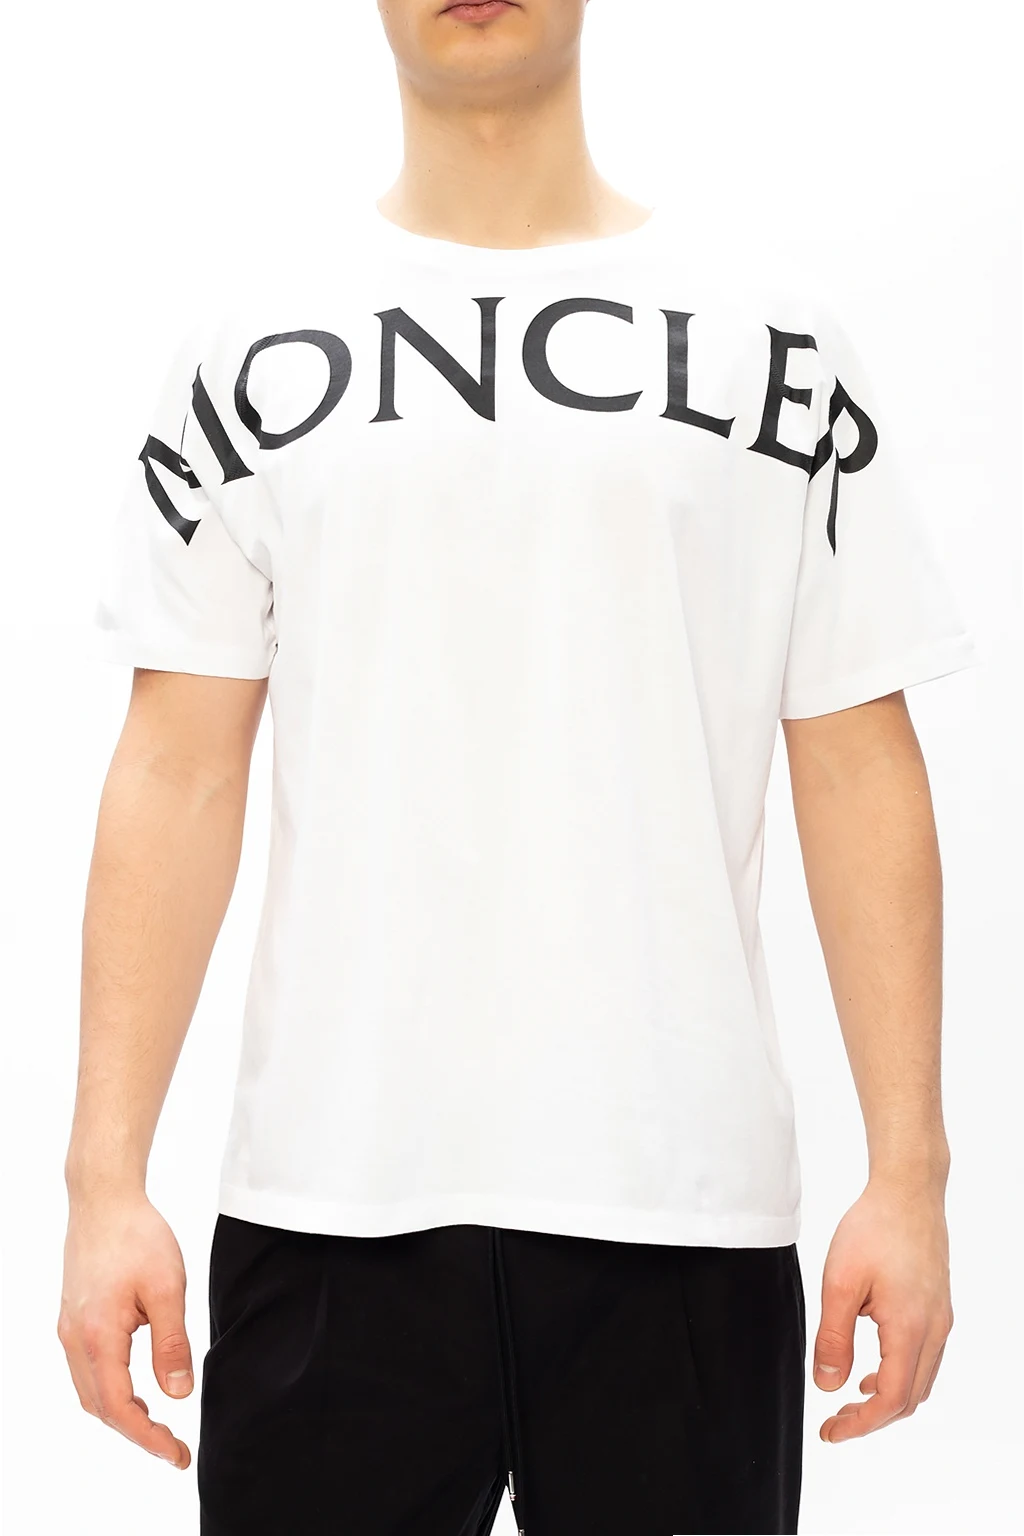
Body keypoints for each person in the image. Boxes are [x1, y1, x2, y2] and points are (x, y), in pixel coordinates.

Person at [57, 2, 978, 1532]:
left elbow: (856, 762)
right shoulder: (250, 344)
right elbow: (176, 767)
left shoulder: (775, 342)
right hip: (327, 1200)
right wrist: (103, 1180)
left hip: (681, 1208)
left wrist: (912, 1175)